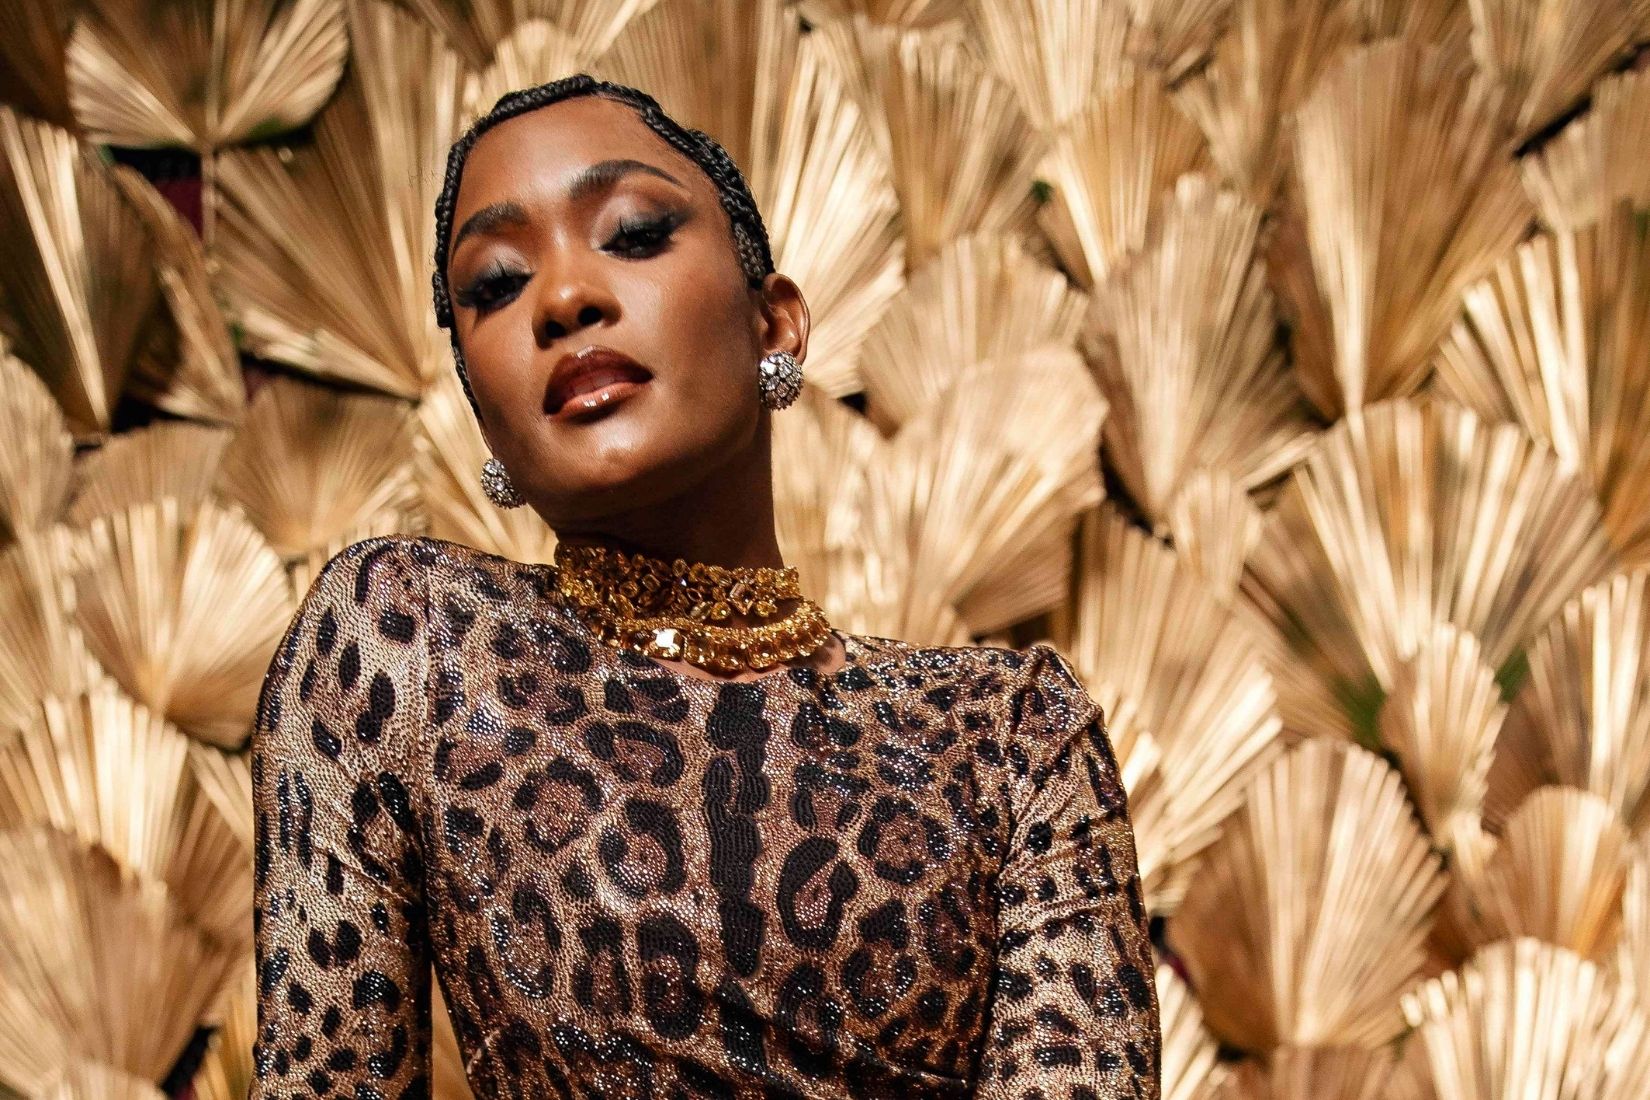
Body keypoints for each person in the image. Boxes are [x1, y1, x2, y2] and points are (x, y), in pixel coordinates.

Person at [249, 73, 1160, 1099]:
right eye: (497, 285)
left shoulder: (1010, 733)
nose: (563, 298)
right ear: (482, 413)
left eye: (633, 233)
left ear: (775, 324)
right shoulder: (408, 639)